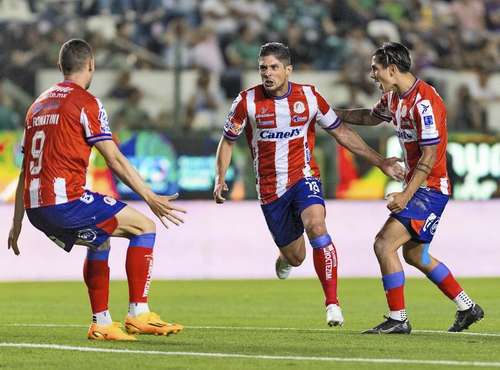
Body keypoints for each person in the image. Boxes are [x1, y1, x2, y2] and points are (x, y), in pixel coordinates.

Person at [213, 42, 404, 327]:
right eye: (263, 67)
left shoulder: (309, 97)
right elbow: (227, 141)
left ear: (288, 70)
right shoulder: (246, 102)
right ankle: (285, 258)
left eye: (274, 67)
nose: (267, 73)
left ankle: (332, 304)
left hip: (304, 177)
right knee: (297, 256)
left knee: (316, 226)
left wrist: (380, 162)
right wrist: (220, 178)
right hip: (269, 188)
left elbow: (341, 131)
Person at [7, 39, 186, 341]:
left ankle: (101, 322)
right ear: (91, 65)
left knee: (99, 242)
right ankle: (138, 313)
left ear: (60, 66)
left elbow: (25, 169)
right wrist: (149, 196)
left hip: (37, 209)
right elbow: (113, 157)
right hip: (66, 201)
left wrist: (16, 223)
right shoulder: (86, 103)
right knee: (144, 226)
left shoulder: (36, 106)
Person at [334, 41, 484, 334]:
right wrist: (331, 113)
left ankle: (398, 318)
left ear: (392, 70)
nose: (372, 75)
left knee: (383, 243)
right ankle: (468, 307)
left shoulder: (424, 102)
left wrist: (406, 194)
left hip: (429, 188)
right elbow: (370, 117)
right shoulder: (394, 99)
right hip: (423, 187)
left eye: (375, 69)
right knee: (417, 256)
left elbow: (429, 156)